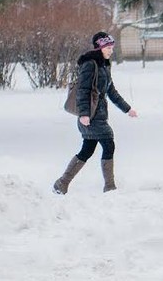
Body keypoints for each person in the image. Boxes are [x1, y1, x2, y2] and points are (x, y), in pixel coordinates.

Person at [53, 32, 138, 194]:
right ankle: (110, 187)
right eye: (108, 48)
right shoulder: (90, 64)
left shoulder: (104, 65)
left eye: (112, 48)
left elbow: (111, 91)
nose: (111, 51)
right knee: (108, 142)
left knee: (87, 149)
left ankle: (61, 183)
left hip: (99, 114)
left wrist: (127, 109)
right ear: (99, 47)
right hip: (90, 116)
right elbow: (82, 91)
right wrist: (84, 114)